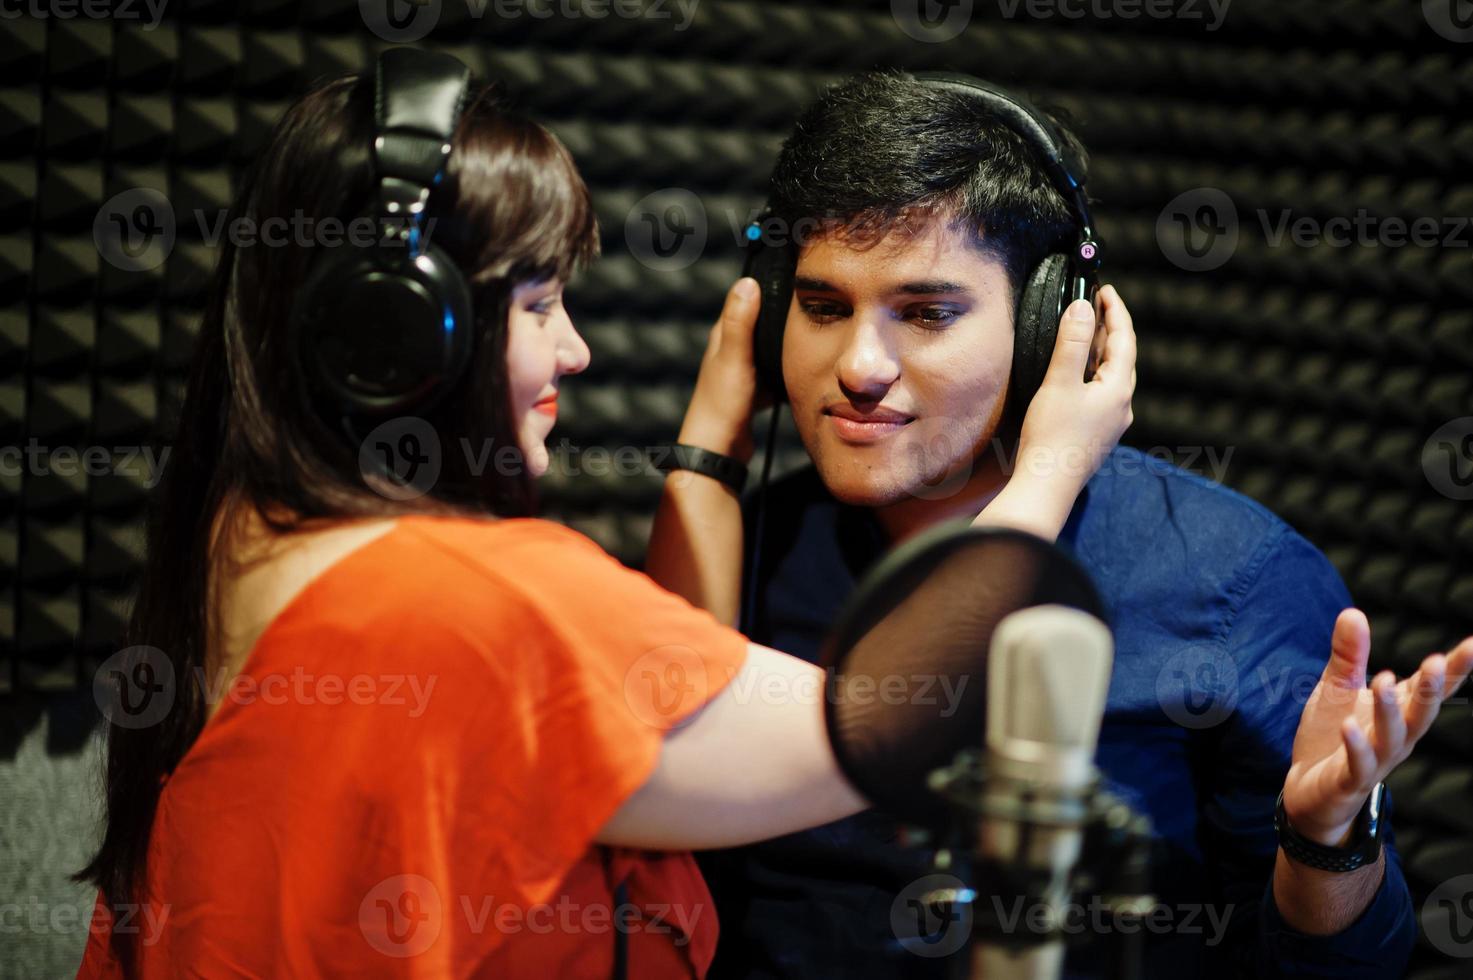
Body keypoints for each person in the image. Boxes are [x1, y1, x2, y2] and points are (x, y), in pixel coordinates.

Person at [72, 54, 1134, 978]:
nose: (576, 350)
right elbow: (891, 717)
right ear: (396, 334)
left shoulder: (240, 550)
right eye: (538, 305)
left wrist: (705, 454)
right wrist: (1047, 466)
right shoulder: (474, 603)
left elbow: (658, 730)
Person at [646, 69, 1473, 978]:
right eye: (822, 307)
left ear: (1049, 326)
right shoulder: (760, 547)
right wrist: (705, 466)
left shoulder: (1230, 581)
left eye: (925, 313)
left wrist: (1323, 840)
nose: (860, 365)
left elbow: (1346, 969)